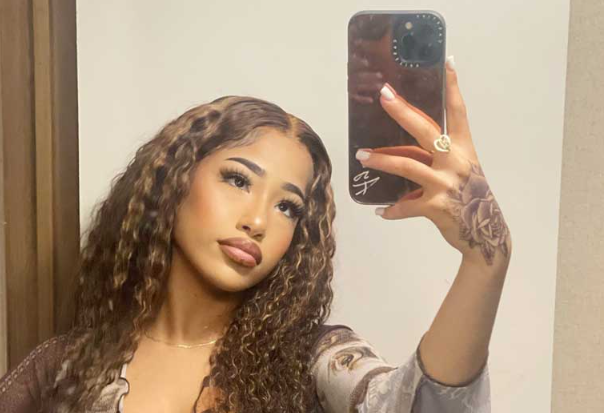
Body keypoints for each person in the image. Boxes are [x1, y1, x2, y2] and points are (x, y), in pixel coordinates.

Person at [0, 56, 511, 413]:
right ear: (173, 181)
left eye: (288, 206)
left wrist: (486, 260)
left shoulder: (311, 360)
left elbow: (420, 407)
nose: (259, 221)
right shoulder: (64, 368)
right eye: (238, 180)